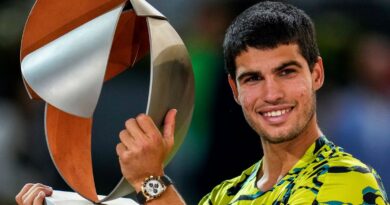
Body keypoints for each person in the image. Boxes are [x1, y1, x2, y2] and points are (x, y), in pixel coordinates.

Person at [16, 1, 388, 205]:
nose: (272, 94)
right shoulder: (227, 194)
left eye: (287, 72)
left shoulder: (349, 181)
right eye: (253, 78)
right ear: (234, 90)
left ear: (317, 74)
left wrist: (150, 179)